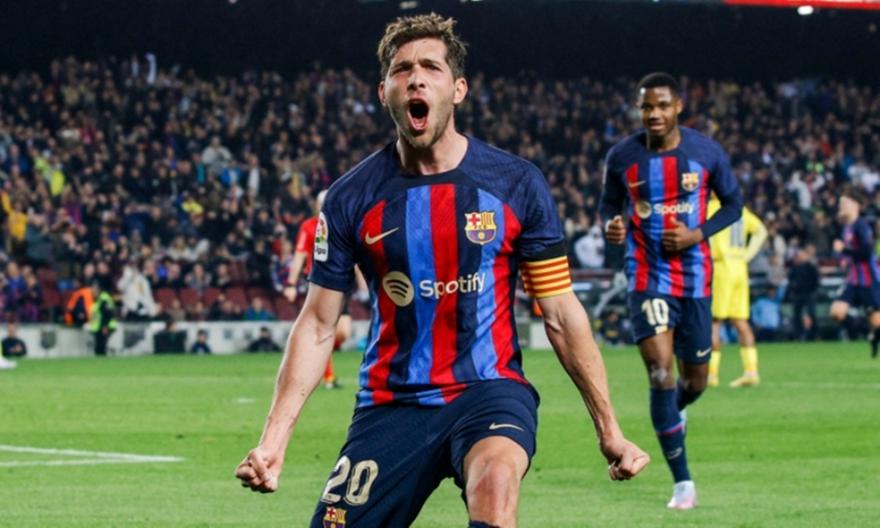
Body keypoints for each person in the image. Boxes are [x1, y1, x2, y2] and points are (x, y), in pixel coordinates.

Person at [237, 14, 648, 527]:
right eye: (402, 69)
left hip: (488, 390)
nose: (416, 78)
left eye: (430, 67)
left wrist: (609, 430)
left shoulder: (517, 184)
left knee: (495, 481)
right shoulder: (350, 198)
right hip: (392, 402)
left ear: (457, 89)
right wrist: (273, 443)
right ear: (384, 92)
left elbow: (561, 313)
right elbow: (319, 324)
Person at [601, 72, 742, 509]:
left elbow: (734, 205)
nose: (654, 114)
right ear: (639, 109)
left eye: (662, 105)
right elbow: (609, 204)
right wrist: (612, 225)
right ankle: (683, 483)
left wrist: (696, 233)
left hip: (695, 279)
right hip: (646, 276)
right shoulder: (622, 156)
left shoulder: (706, 153)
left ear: (678, 106)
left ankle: (677, 408)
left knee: (695, 381)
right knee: (660, 372)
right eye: (646, 106)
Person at [285, 189, 367, 389]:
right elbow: (300, 255)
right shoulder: (309, 227)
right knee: (325, 329)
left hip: (342, 282)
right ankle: (328, 376)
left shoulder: (343, 225)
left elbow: (355, 257)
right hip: (320, 283)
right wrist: (291, 284)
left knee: (343, 332)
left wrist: (362, 282)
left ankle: (316, 354)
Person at [707, 199, 767, 388]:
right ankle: (751, 371)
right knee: (740, 321)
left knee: (714, 321)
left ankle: (711, 374)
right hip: (740, 267)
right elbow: (761, 231)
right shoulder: (739, 209)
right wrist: (746, 255)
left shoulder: (710, 208)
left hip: (721, 267)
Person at [830, 188, 880, 357]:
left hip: (869, 280)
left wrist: (844, 250)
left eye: (844, 203)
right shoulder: (846, 227)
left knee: (876, 321)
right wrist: (844, 259)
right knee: (836, 312)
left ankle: (874, 334)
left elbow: (866, 252)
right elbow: (852, 253)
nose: (841, 206)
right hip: (853, 280)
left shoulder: (862, 226)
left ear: (855, 205)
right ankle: (869, 333)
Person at [89, 282, 117, 356]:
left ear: (98, 290)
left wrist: (105, 326)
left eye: (94, 290)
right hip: (99, 326)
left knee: (101, 347)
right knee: (99, 348)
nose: (92, 292)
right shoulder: (99, 299)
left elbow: (107, 314)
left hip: (104, 326)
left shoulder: (104, 299)